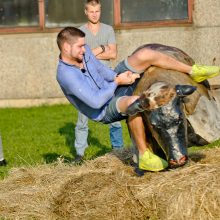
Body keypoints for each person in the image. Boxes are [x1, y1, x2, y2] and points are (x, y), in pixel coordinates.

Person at [56, 26, 220, 171]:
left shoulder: (84, 53)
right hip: (105, 107)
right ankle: (143, 155)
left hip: (115, 85)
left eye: (84, 45)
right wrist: (117, 82)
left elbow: (102, 70)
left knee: (145, 54)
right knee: (136, 102)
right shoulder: (66, 75)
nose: (84, 50)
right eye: (79, 46)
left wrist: (121, 76)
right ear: (65, 47)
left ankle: (193, 70)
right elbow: (95, 101)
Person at [74, 0, 123, 161]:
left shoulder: (108, 30)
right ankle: (80, 153)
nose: (94, 14)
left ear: (100, 11)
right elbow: (79, 56)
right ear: (86, 12)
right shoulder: (79, 33)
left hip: (107, 78)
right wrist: (102, 48)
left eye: (97, 11)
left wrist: (90, 53)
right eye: (91, 11)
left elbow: (113, 54)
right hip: (86, 78)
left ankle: (119, 150)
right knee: (82, 117)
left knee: (114, 116)